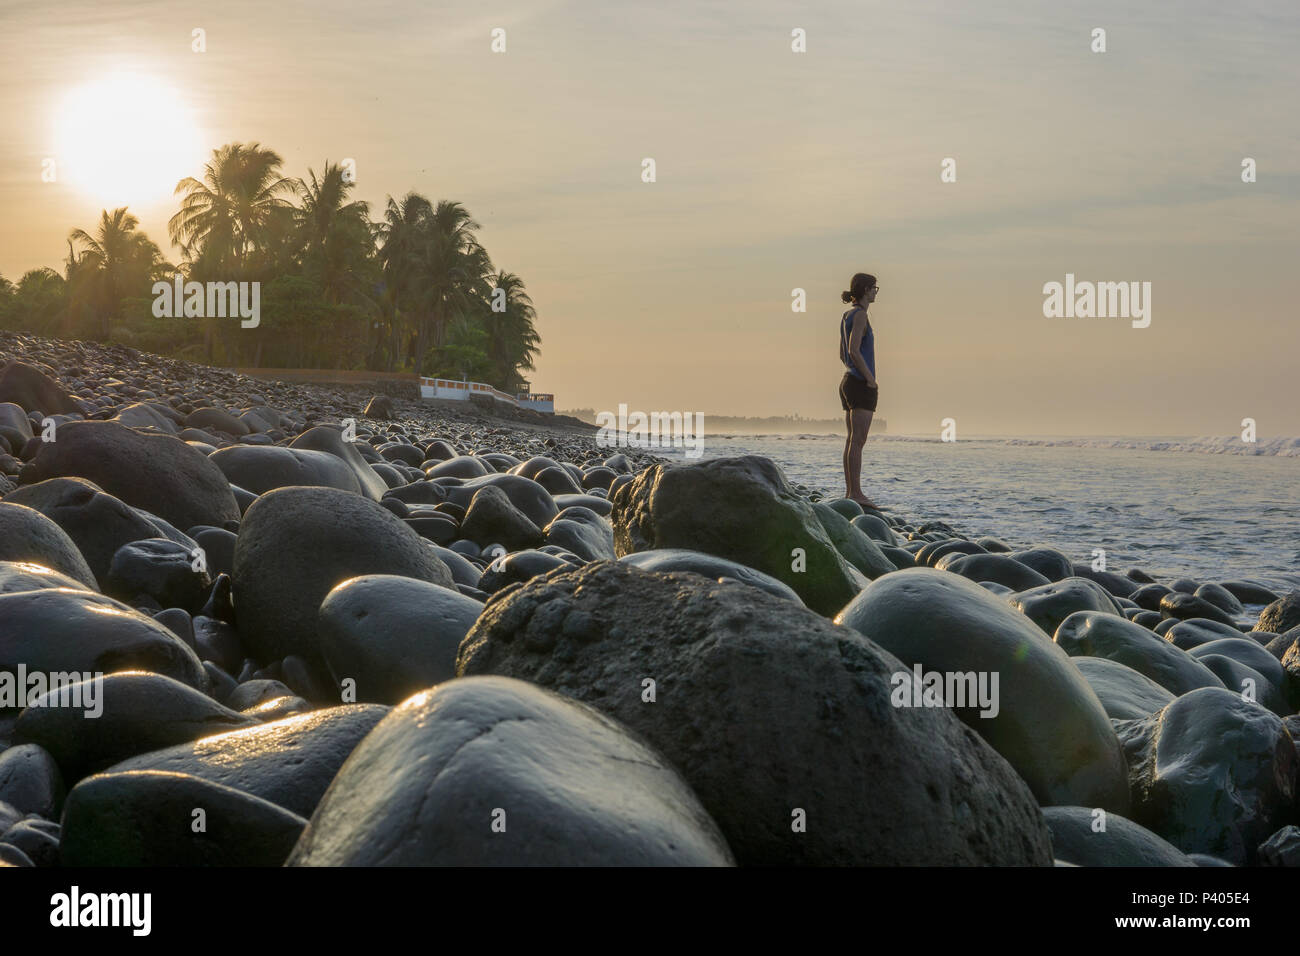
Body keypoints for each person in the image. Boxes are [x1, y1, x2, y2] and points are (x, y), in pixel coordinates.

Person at [838, 272, 879, 508]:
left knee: (852, 439)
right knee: (858, 440)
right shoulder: (861, 315)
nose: (875, 292)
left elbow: (842, 353)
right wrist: (870, 378)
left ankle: (851, 492)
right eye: (874, 288)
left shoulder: (847, 315)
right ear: (865, 290)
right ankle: (856, 494)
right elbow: (853, 350)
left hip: (847, 381)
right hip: (859, 383)